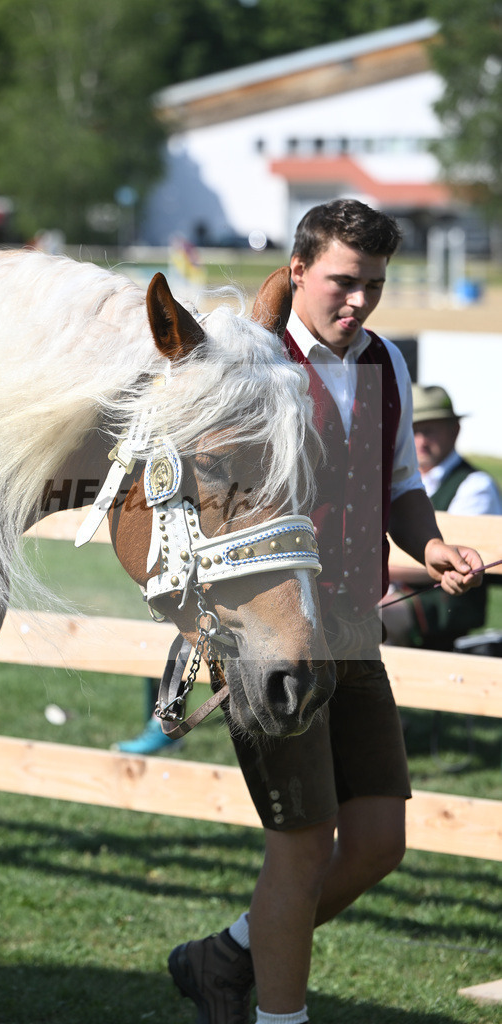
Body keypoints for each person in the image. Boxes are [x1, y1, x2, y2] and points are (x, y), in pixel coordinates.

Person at [166, 199, 484, 1024]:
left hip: (351, 627)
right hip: (266, 634)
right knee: (302, 844)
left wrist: (433, 546)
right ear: (298, 269)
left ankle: (223, 957)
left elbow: (400, 487)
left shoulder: (384, 362)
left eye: (374, 286)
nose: (358, 302)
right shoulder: (247, 364)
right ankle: (278, 1016)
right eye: (343, 282)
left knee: (378, 843)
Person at [381, 384, 502, 649]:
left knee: (370, 622)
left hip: (443, 602)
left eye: (430, 430)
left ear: (454, 431)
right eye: (413, 430)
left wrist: (373, 569)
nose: (421, 441)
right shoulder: (396, 481)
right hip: (392, 591)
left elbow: (456, 561)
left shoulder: (475, 486)